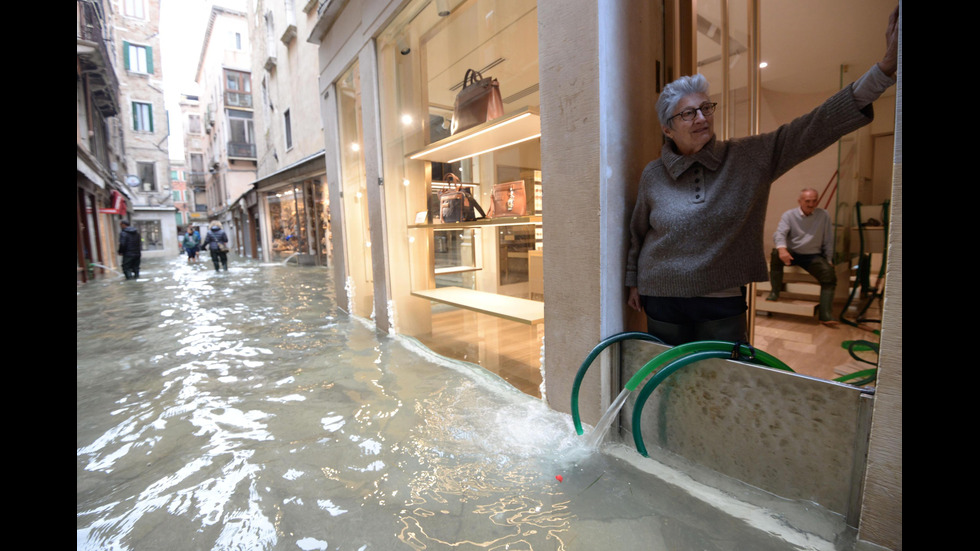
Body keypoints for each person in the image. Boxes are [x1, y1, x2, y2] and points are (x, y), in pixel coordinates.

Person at [626, 7, 897, 346]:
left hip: (721, 301)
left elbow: (813, 127)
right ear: (668, 129)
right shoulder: (653, 174)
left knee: (722, 383)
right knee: (666, 380)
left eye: (706, 108)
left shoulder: (747, 158)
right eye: (688, 113)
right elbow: (639, 234)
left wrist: (882, 72)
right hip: (661, 297)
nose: (701, 118)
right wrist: (634, 281)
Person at [767, 188, 838, 327]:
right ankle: (775, 291)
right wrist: (782, 250)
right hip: (792, 253)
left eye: (814, 201)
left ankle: (825, 315)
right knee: (775, 254)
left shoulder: (823, 215)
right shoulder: (789, 215)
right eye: (807, 201)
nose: (811, 204)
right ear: (800, 201)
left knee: (829, 277)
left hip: (812, 255)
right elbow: (780, 234)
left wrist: (829, 259)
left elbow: (828, 239)